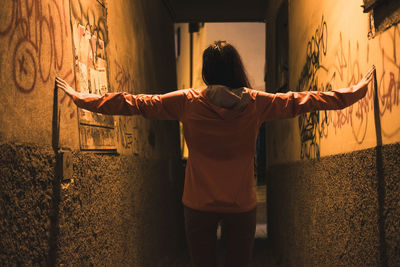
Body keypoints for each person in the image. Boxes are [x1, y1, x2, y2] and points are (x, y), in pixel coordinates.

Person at [55, 41, 375, 267]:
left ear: (207, 72)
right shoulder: (257, 102)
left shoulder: (187, 101)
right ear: (237, 69)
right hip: (242, 204)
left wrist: (81, 98)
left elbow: (133, 103)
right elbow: (307, 99)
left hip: (197, 204)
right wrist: (355, 92)